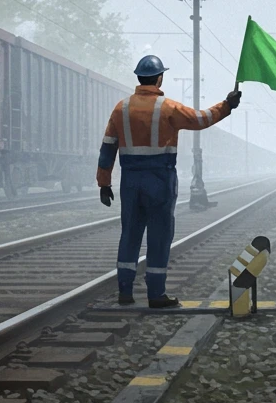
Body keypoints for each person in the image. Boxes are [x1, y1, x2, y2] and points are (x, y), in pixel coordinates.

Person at [96, 54, 241, 307]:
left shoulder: (121, 108)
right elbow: (201, 119)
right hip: (160, 182)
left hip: (130, 183)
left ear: (139, 78)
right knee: (159, 236)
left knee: (129, 234)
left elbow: (108, 147)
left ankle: (125, 292)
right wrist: (227, 105)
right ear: (159, 78)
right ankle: (155, 294)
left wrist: (104, 183)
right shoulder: (168, 108)